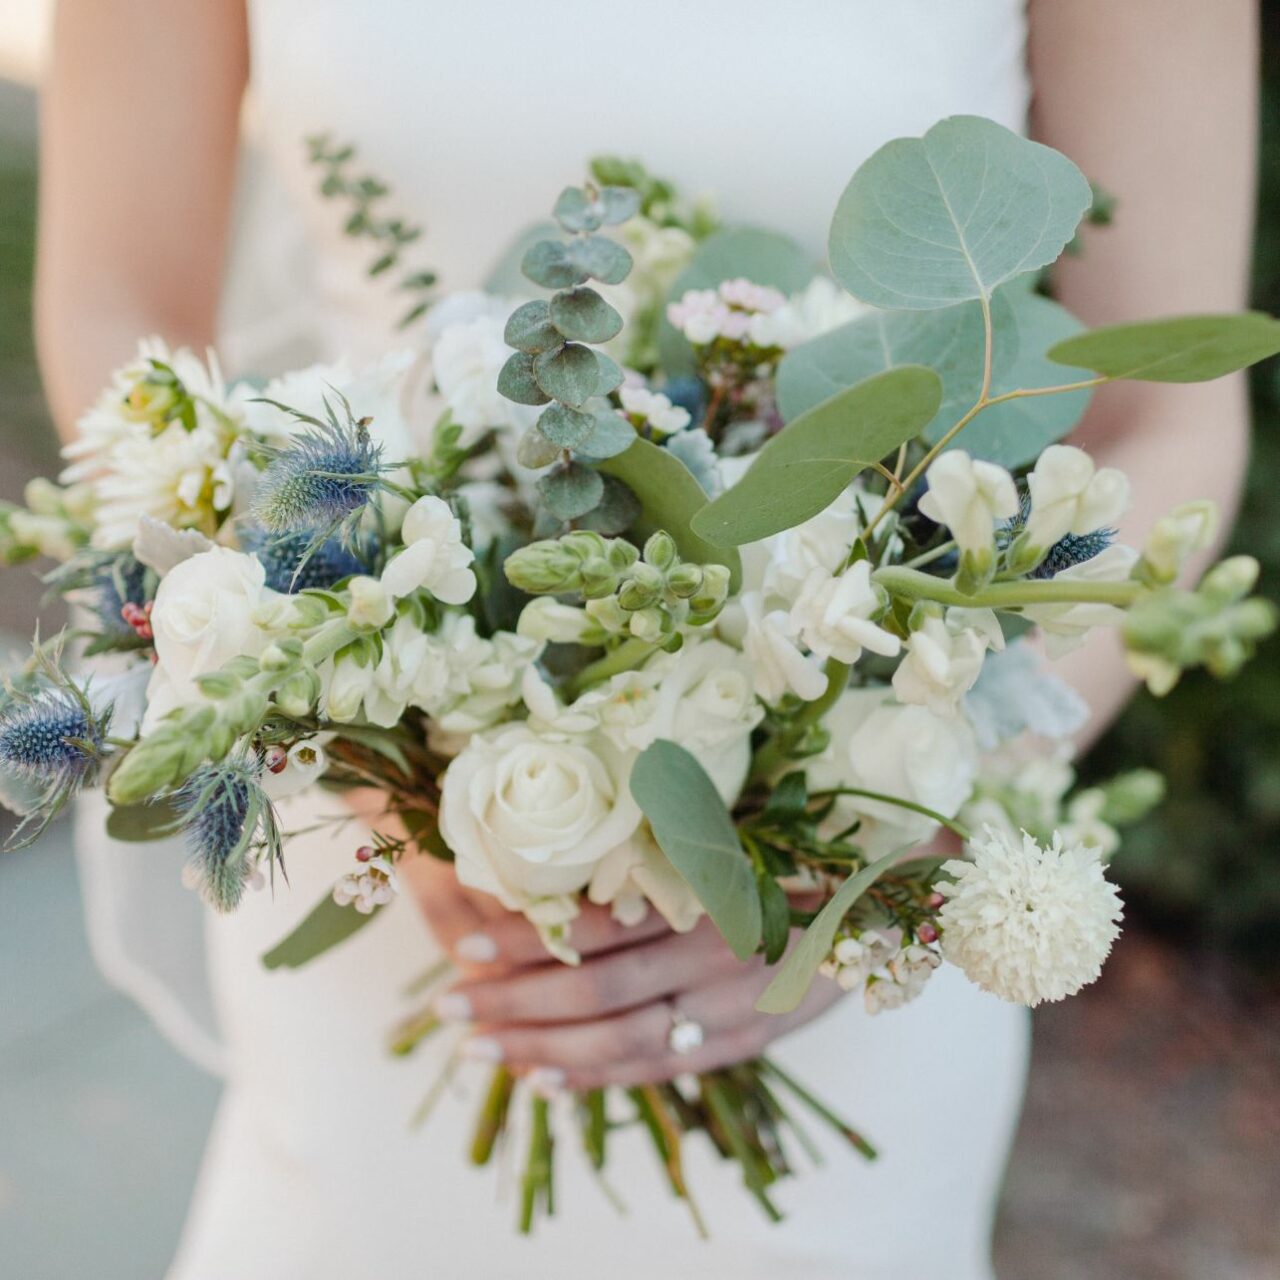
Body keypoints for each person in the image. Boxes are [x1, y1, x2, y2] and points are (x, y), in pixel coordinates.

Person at [36, 2, 1257, 1276]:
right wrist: (390, 746)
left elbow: (1164, 424)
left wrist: (867, 833)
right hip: (396, 870)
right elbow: (118, 311)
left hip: (832, 916)